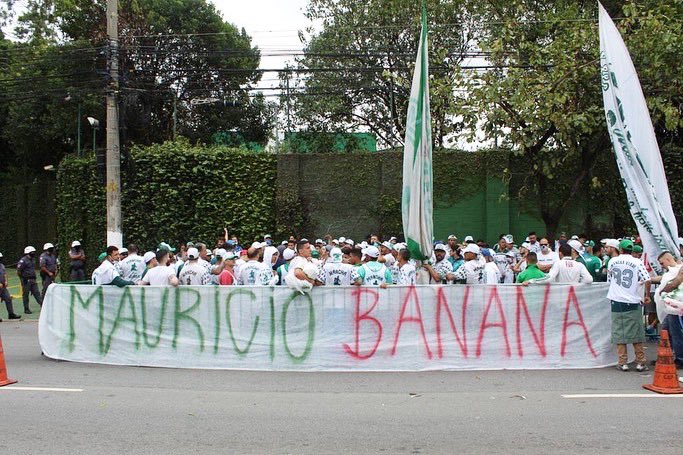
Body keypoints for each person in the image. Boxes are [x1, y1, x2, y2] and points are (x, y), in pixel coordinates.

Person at [607, 239, 651, 371]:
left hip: (616, 300)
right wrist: (646, 295)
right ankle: (640, 362)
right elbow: (647, 279)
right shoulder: (637, 262)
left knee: (619, 332)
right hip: (632, 300)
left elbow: (610, 279)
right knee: (636, 332)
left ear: (620, 249)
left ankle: (622, 362)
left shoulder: (612, 261)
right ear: (631, 250)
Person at [17, 246, 42, 313]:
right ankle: (26, 309)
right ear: (28, 253)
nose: (33, 253)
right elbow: (19, 271)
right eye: (32, 252)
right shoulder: (23, 260)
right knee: (25, 295)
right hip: (26, 280)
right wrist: (22, 279)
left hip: (33, 279)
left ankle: (42, 305)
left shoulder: (33, 259)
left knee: (37, 293)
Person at [0, 252, 20, 320]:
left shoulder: (2, 265)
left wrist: (6, 281)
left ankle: (11, 314)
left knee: (8, 299)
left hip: (3, 287)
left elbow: (5, 274)